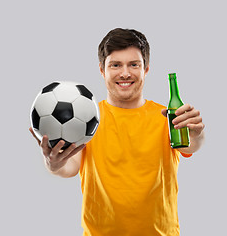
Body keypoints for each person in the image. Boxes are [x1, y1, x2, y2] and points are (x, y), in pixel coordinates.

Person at [29, 28, 205, 236]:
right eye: (115, 65)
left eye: (134, 64)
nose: (125, 73)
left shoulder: (166, 116)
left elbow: (191, 144)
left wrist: (197, 133)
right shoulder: (87, 119)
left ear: (146, 69)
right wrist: (54, 164)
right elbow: (69, 167)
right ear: (102, 70)